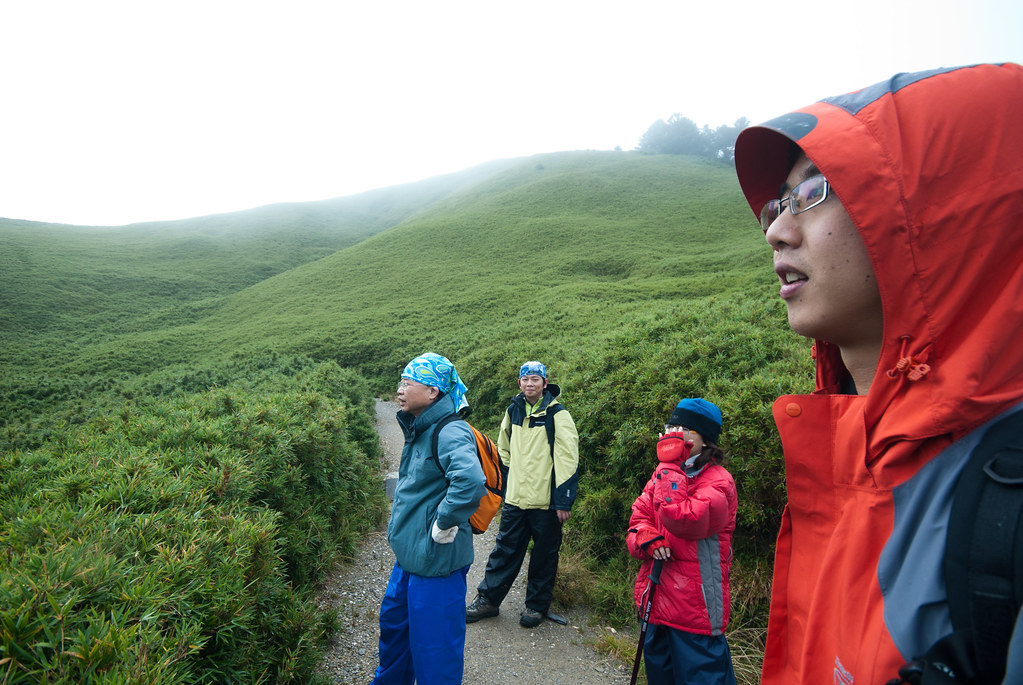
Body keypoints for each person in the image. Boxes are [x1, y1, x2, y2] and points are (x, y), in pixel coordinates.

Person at [732, 63, 1023, 684]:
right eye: (778, 205)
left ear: (937, 218)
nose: (777, 232)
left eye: (815, 192)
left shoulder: (1004, 506)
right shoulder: (850, 451)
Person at [371, 352, 486, 685]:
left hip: (436, 564)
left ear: (433, 391)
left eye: (409, 382)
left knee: (435, 653)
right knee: (396, 633)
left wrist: (444, 521)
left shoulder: (449, 431)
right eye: (400, 382)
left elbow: (471, 481)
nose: (400, 389)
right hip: (410, 559)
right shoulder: (421, 426)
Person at [625, 398, 738, 685]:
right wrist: (646, 537)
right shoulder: (663, 474)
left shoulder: (718, 482)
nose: (676, 433)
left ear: (706, 439)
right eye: (671, 426)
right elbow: (638, 519)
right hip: (656, 597)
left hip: (695, 610)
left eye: (686, 429)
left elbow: (684, 521)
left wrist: (669, 467)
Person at [466, 360, 579, 628]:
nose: (530, 384)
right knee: (504, 550)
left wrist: (563, 499)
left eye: (535, 379)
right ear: (519, 383)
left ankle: (536, 606)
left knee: (544, 554)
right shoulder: (513, 410)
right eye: (525, 379)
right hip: (516, 498)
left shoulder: (557, 414)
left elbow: (568, 458)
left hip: (546, 502)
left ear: (545, 383)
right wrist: (508, 480)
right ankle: (489, 600)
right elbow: (502, 447)